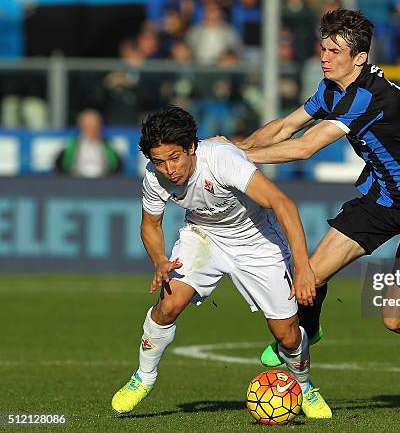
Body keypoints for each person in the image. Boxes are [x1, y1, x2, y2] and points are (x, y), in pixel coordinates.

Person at [238, 9, 400, 386]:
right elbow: (285, 126)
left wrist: (237, 158)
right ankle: (307, 333)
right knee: (309, 276)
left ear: (359, 58)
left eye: (335, 51)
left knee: (397, 319)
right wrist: (238, 146)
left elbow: (303, 148)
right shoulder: (332, 89)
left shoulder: (368, 97)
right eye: (323, 48)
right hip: (380, 198)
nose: (325, 57)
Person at [111, 105, 331, 418]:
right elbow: (150, 225)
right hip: (203, 236)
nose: (169, 169)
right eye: (159, 162)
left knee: (287, 334)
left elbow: (283, 204)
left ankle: (304, 386)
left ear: (191, 148)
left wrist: (303, 267)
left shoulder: (222, 159)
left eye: (175, 157)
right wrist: (159, 259)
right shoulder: (154, 177)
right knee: (169, 303)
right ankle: (143, 377)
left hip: (256, 241)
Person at [54, 109, 122, 177]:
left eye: (94, 125)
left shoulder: (109, 146)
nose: (91, 128)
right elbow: (61, 168)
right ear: (80, 126)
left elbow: (116, 168)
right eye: (87, 125)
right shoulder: (69, 146)